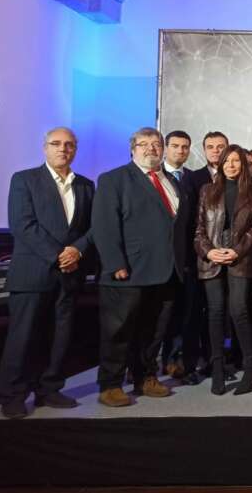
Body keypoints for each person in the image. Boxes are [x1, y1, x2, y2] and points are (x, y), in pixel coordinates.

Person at [0, 127, 95, 419]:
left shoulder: (86, 186)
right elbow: (22, 225)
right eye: (56, 144)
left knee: (60, 336)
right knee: (22, 337)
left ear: (75, 149)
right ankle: (12, 394)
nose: (63, 149)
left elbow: (91, 228)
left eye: (69, 145)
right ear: (45, 147)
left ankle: (48, 388)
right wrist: (58, 255)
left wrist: (76, 250)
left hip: (69, 274)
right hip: (32, 272)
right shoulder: (24, 179)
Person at [93, 127, 191, 407]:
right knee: (119, 330)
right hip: (129, 271)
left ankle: (145, 376)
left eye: (156, 144)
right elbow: (104, 225)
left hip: (166, 271)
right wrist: (115, 264)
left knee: (154, 330)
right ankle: (110, 384)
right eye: (144, 144)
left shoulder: (172, 181)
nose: (151, 148)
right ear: (132, 149)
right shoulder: (114, 179)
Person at [194, 145, 252, 395]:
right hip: (212, 258)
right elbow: (199, 230)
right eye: (228, 161)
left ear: (243, 164)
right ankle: (217, 370)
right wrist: (208, 251)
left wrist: (237, 250)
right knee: (215, 313)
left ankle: (250, 369)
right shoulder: (207, 190)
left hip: (241, 257)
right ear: (221, 163)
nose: (232, 165)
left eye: (236, 161)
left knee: (239, 311)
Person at [160, 130, 206, 385]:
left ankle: (185, 366)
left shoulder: (194, 178)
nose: (180, 150)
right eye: (175, 146)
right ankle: (160, 363)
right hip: (161, 261)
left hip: (189, 261)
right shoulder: (155, 176)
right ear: (166, 148)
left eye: (185, 147)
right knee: (163, 317)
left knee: (189, 316)